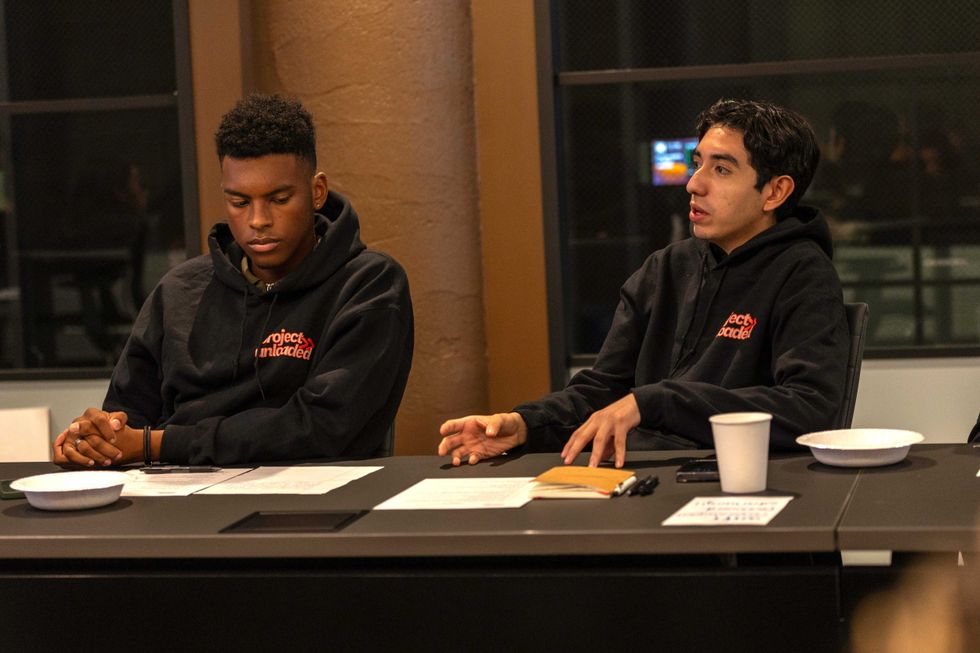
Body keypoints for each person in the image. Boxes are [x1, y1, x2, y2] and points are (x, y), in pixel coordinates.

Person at [439, 98, 848, 468]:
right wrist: (525, 423)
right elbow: (604, 389)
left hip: (735, 485)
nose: (694, 183)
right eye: (697, 162)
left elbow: (809, 408)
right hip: (636, 478)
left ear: (775, 192)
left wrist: (656, 401)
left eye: (721, 169)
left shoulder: (802, 273)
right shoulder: (666, 267)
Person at [53, 94, 413, 467]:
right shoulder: (180, 291)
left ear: (316, 192)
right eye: (240, 202)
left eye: (279, 199)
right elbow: (127, 417)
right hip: (174, 500)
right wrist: (95, 441)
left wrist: (156, 445)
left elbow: (321, 426)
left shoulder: (369, 284)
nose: (258, 220)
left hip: (316, 501)